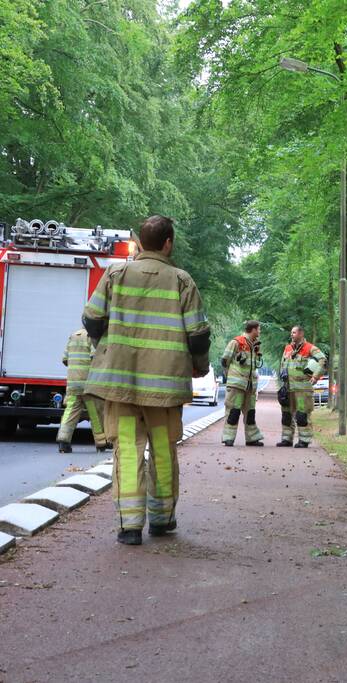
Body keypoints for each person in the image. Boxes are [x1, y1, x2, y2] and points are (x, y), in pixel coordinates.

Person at [82, 215, 210, 546]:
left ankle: (129, 526)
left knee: (127, 450)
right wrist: (199, 366)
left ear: (140, 242)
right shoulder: (182, 280)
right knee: (164, 451)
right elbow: (197, 335)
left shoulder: (116, 273)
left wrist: (107, 349)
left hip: (121, 387)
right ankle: (162, 519)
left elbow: (92, 318)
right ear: (168, 243)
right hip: (164, 391)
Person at [56, 328, 109, 453]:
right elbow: (95, 358)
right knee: (95, 413)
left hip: (73, 383)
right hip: (88, 384)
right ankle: (101, 443)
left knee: (70, 412)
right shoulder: (93, 335)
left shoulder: (73, 335)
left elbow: (65, 359)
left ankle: (63, 441)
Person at [277, 326, 327, 448]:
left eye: (294, 332)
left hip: (302, 389)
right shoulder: (288, 348)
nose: (292, 335)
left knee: (302, 415)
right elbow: (283, 364)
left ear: (301, 333)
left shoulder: (309, 348)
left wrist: (315, 377)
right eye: (291, 333)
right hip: (288, 388)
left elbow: (323, 360)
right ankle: (286, 440)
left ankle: (304, 440)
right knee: (286, 415)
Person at [221, 320, 264, 447]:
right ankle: (228, 438)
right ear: (254, 329)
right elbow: (225, 360)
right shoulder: (236, 342)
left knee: (250, 413)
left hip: (250, 386)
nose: (260, 331)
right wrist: (230, 376)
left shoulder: (256, 345)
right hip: (237, 385)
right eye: (259, 329)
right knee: (233, 412)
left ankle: (252, 438)